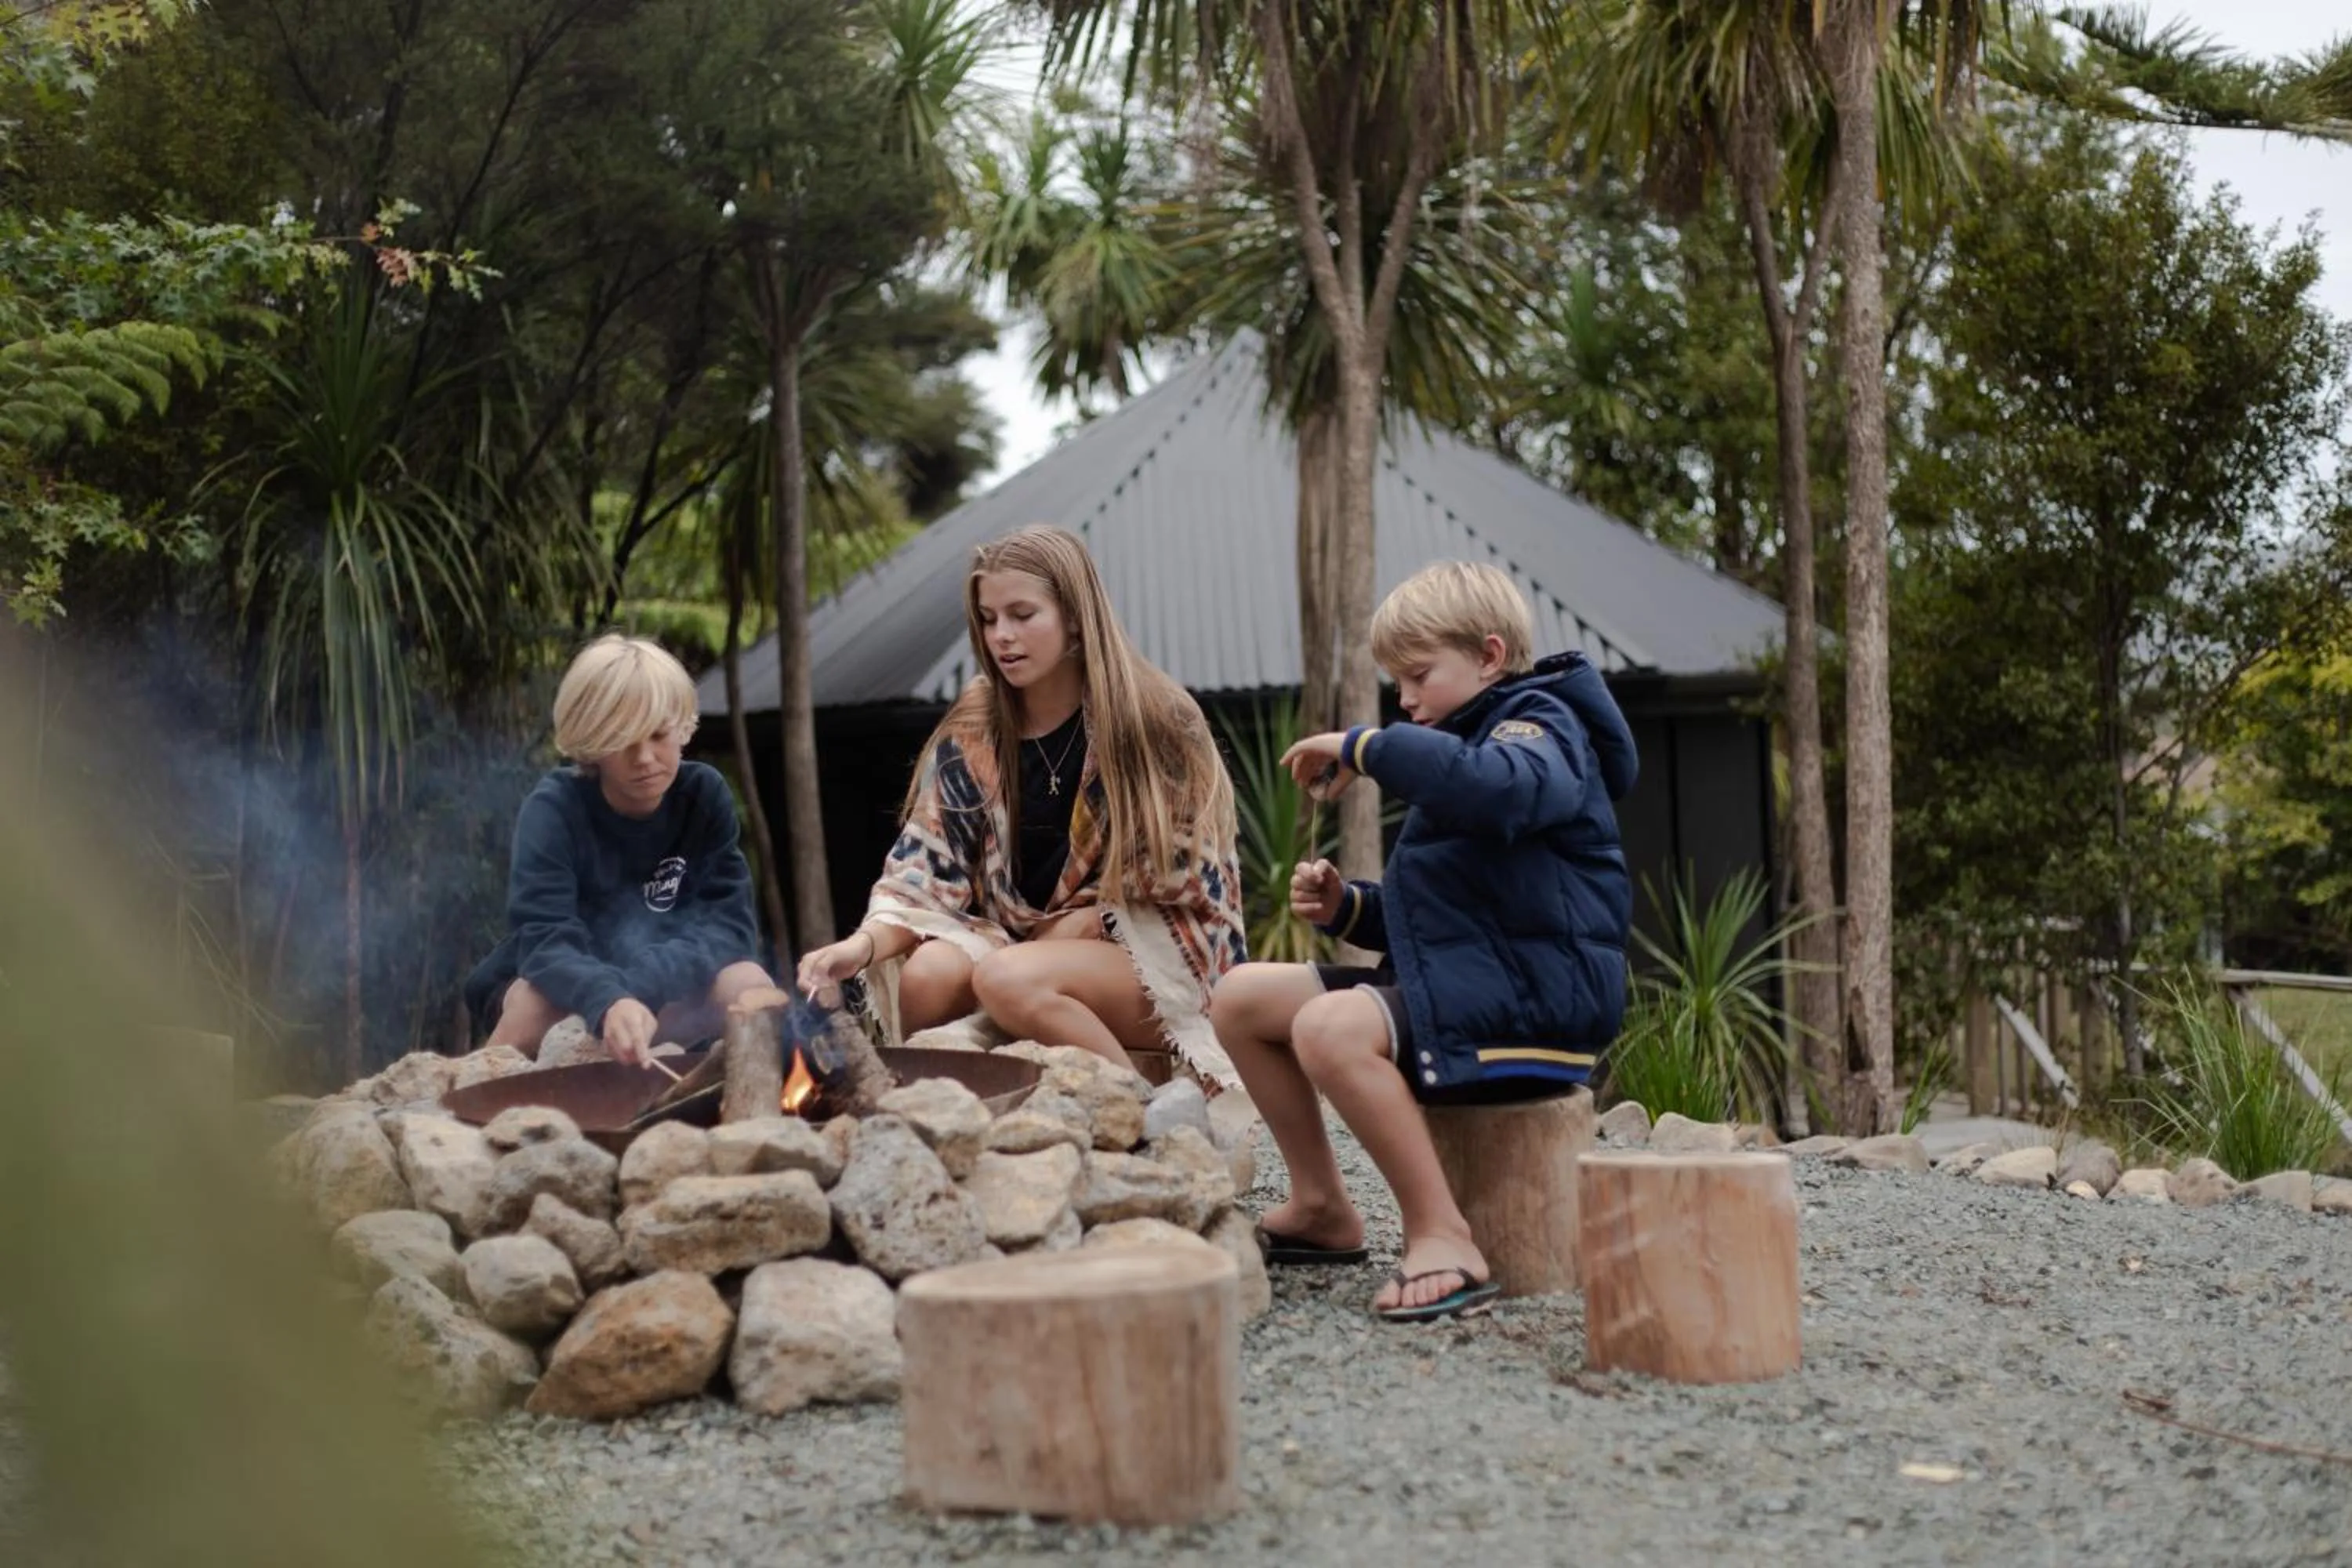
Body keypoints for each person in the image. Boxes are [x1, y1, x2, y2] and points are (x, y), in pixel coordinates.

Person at [1210, 561, 1639, 1322]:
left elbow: (1501, 787)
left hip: (1539, 1001)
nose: (1405, 699)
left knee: (1328, 1026)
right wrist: (1348, 909)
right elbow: (1449, 917)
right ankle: (1321, 1206)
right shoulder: (1467, 743)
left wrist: (1368, 745)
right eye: (1395, 683)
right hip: (1479, 982)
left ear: (1490, 655)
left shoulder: (1539, 727)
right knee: (1241, 996)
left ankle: (1444, 1236)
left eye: (1417, 675)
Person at [796, 524, 1247, 1087]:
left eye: (1022, 614)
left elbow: (1188, 879)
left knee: (1009, 979)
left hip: (1160, 958)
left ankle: (1143, 1116)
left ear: (1077, 618)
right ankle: (951, 1130)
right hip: (1023, 948)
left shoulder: (1152, 718)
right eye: (988, 619)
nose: (1001, 636)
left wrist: (1080, 926)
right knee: (928, 976)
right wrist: (858, 948)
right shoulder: (976, 730)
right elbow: (923, 874)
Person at [463, 634, 773, 1066]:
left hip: (660, 997)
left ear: (683, 727)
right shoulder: (553, 808)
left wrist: (637, 989)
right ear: (592, 742)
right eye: (624, 741)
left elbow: (730, 929)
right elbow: (545, 939)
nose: (644, 757)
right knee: (532, 1002)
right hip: (566, 997)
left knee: (750, 986)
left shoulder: (704, 796)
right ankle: (469, 1104)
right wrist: (609, 999)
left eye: (658, 735)